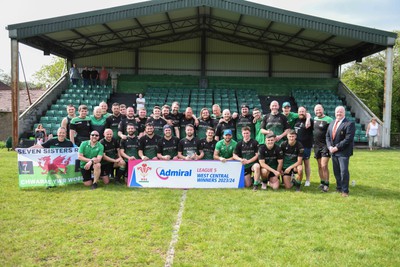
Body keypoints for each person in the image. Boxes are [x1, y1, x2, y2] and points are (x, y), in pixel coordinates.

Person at [326, 106, 356, 197]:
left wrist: (337, 147)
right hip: (333, 151)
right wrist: (329, 146)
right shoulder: (331, 123)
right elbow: (327, 136)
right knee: (336, 171)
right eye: (337, 112)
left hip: (343, 152)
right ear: (335, 113)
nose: (338, 113)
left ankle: (345, 191)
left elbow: (348, 139)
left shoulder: (349, 124)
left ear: (344, 112)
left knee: (343, 171)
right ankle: (339, 187)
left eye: (340, 112)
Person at [313, 104, 333, 192]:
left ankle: (327, 184)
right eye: (316, 110)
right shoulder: (314, 119)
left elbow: (332, 133)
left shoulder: (329, 120)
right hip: (316, 146)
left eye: (319, 110)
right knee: (319, 166)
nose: (318, 111)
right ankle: (322, 182)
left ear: (323, 110)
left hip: (325, 146)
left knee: (324, 165)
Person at [293, 106, 313, 187]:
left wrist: (308, 117)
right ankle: (297, 178)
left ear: (306, 112)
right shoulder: (296, 120)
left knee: (306, 163)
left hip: (306, 146)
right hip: (296, 146)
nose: (301, 113)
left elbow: (307, 125)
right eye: (300, 111)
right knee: (296, 164)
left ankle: (307, 180)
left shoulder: (309, 120)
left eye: (303, 111)